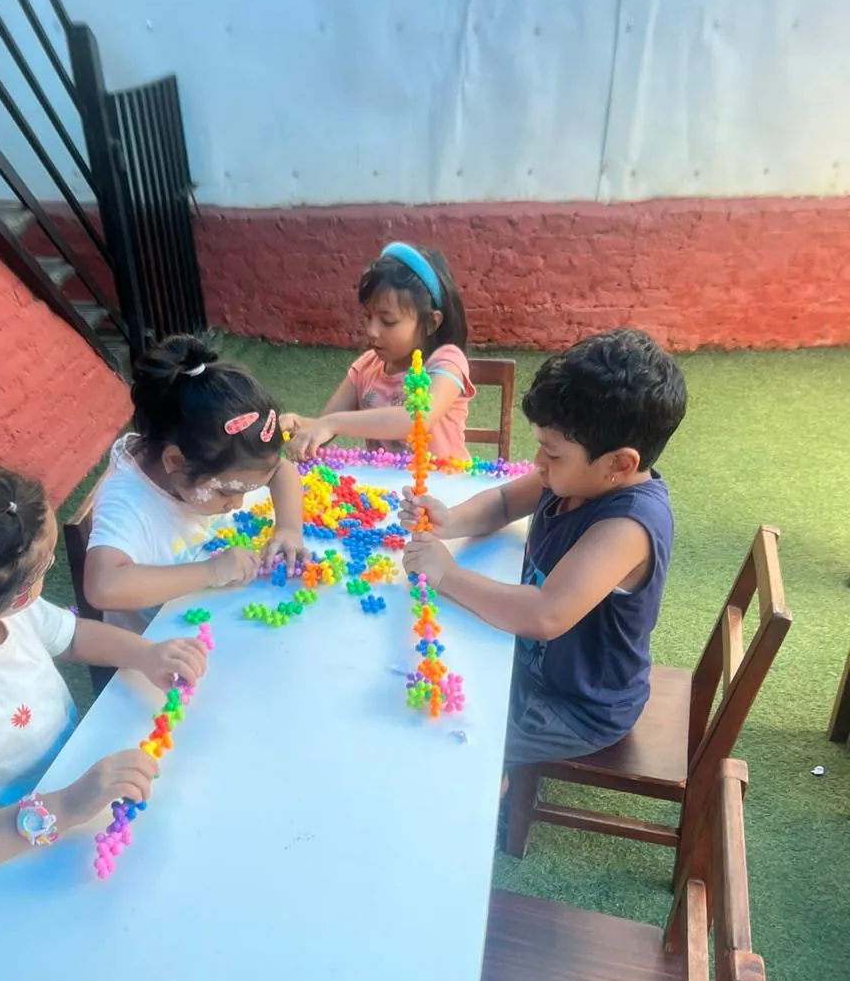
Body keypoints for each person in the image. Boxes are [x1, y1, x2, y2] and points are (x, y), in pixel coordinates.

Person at [0, 453, 207, 899]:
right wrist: (63, 806)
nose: (48, 575)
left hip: (76, 787)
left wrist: (147, 654)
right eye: (44, 571)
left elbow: (73, 635)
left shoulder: (8, 614)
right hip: (2, 861)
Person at [401, 329, 687, 772]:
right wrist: (449, 519)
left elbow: (544, 614)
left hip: (577, 707)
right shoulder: (571, 477)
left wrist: (447, 575)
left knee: (439, 736)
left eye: (552, 453)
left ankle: (494, 782)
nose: (538, 462)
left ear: (620, 464)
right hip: (533, 665)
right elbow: (502, 502)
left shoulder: (629, 525)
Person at [84, 335, 305, 634]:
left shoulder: (212, 460)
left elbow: (281, 470)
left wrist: (289, 529)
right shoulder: (127, 500)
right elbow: (102, 587)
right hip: (163, 645)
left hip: (218, 617)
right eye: (227, 491)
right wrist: (211, 571)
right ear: (175, 462)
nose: (237, 503)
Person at [281, 242, 474, 461]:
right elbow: (325, 426)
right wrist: (297, 424)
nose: (372, 331)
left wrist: (332, 423)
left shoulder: (446, 361)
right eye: (367, 317)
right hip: (384, 491)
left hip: (447, 487)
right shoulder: (366, 367)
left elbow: (417, 420)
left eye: (387, 321)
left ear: (431, 323)